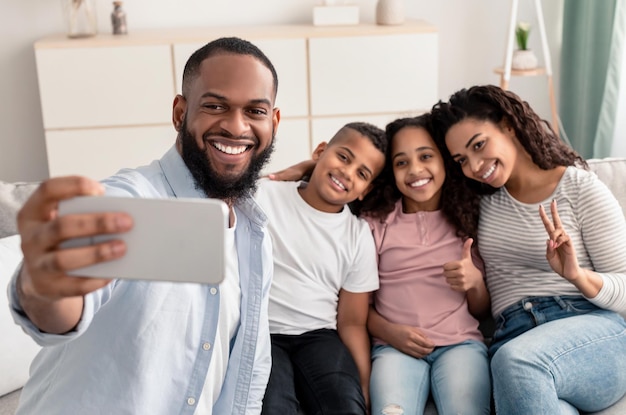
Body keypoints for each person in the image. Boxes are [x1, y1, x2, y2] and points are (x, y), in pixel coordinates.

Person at [8, 37, 280, 415]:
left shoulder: (255, 235)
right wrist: (42, 285)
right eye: (215, 105)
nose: (236, 126)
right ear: (180, 113)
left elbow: (248, 370)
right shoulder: (130, 201)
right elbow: (61, 307)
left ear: (274, 121)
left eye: (255, 111)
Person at [430, 84, 626, 414]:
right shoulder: (477, 204)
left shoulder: (580, 188)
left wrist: (577, 276)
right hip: (515, 335)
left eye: (479, 145)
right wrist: (475, 283)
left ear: (508, 125)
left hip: (592, 334)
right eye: (462, 159)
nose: (475, 166)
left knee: (518, 362)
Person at [356, 115, 491, 415]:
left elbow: (481, 310)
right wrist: (391, 333)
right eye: (401, 162)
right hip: (393, 348)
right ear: (390, 171)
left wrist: (475, 282)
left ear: (445, 161)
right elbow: (356, 306)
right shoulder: (376, 224)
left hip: (460, 345)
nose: (415, 170)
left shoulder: (466, 219)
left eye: (426, 156)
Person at [256, 122, 386, 415]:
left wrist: (363, 386)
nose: (347, 172)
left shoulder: (357, 234)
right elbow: (223, 201)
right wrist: (296, 170)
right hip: (262, 333)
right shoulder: (265, 194)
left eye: (362, 174)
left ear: (366, 189)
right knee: (274, 406)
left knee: (344, 405)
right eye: (343, 157)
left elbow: (352, 322)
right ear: (320, 152)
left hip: (319, 336)